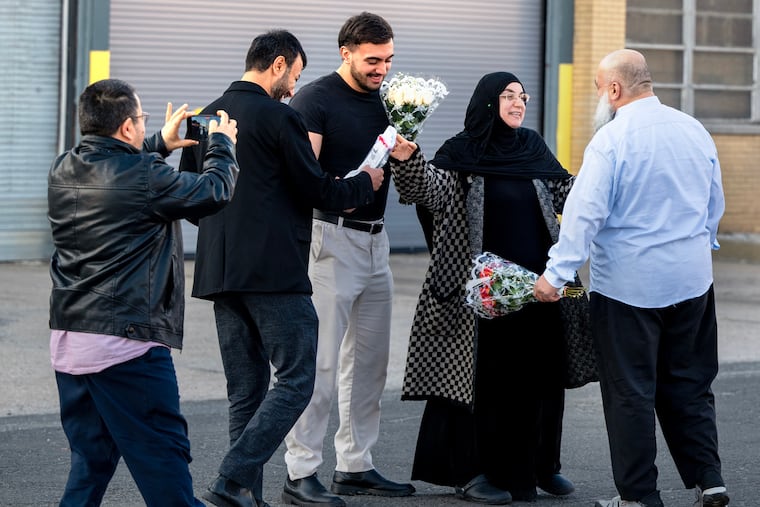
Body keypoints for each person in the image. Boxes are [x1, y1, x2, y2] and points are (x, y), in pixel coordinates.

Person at [178, 30, 384, 507]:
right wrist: (364, 183)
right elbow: (318, 191)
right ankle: (231, 481)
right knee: (296, 378)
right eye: (294, 75)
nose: (294, 87)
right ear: (278, 64)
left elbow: (192, 201)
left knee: (245, 396)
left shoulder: (208, 116)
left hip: (218, 274)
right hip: (274, 273)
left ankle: (245, 497)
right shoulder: (279, 117)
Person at [534, 49, 729, 507]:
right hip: (692, 282)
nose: (599, 95)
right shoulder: (693, 129)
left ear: (615, 89)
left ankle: (639, 497)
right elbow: (713, 203)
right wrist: (701, 247)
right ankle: (711, 480)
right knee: (691, 384)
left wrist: (555, 276)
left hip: (628, 288)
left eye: (600, 87)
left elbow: (584, 216)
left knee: (631, 394)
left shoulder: (611, 140)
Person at [48, 78, 238, 506]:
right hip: (126, 346)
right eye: (142, 119)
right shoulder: (143, 175)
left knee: (91, 463)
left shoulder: (63, 168)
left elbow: (117, 171)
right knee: (164, 462)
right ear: (126, 128)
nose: (143, 125)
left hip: (71, 342)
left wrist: (161, 142)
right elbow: (214, 191)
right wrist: (222, 144)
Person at [389, 71, 577, 504]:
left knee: (540, 378)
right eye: (508, 96)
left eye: (523, 96)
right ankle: (472, 471)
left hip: (537, 290)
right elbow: (427, 191)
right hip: (480, 295)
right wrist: (406, 157)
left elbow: (569, 194)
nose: (518, 103)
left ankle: (540, 466)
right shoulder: (462, 152)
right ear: (488, 102)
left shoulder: (532, 147)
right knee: (485, 380)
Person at [282, 12, 415, 507]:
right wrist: (352, 189)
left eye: (388, 59)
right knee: (319, 361)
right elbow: (305, 178)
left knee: (369, 364)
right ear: (347, 53)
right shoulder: (315, 99)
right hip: (330, 240)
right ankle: (301, 471)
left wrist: (407, 155)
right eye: (373, 60)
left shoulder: (389, 103)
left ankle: (355, 464)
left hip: (376, 242)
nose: (382, 68)